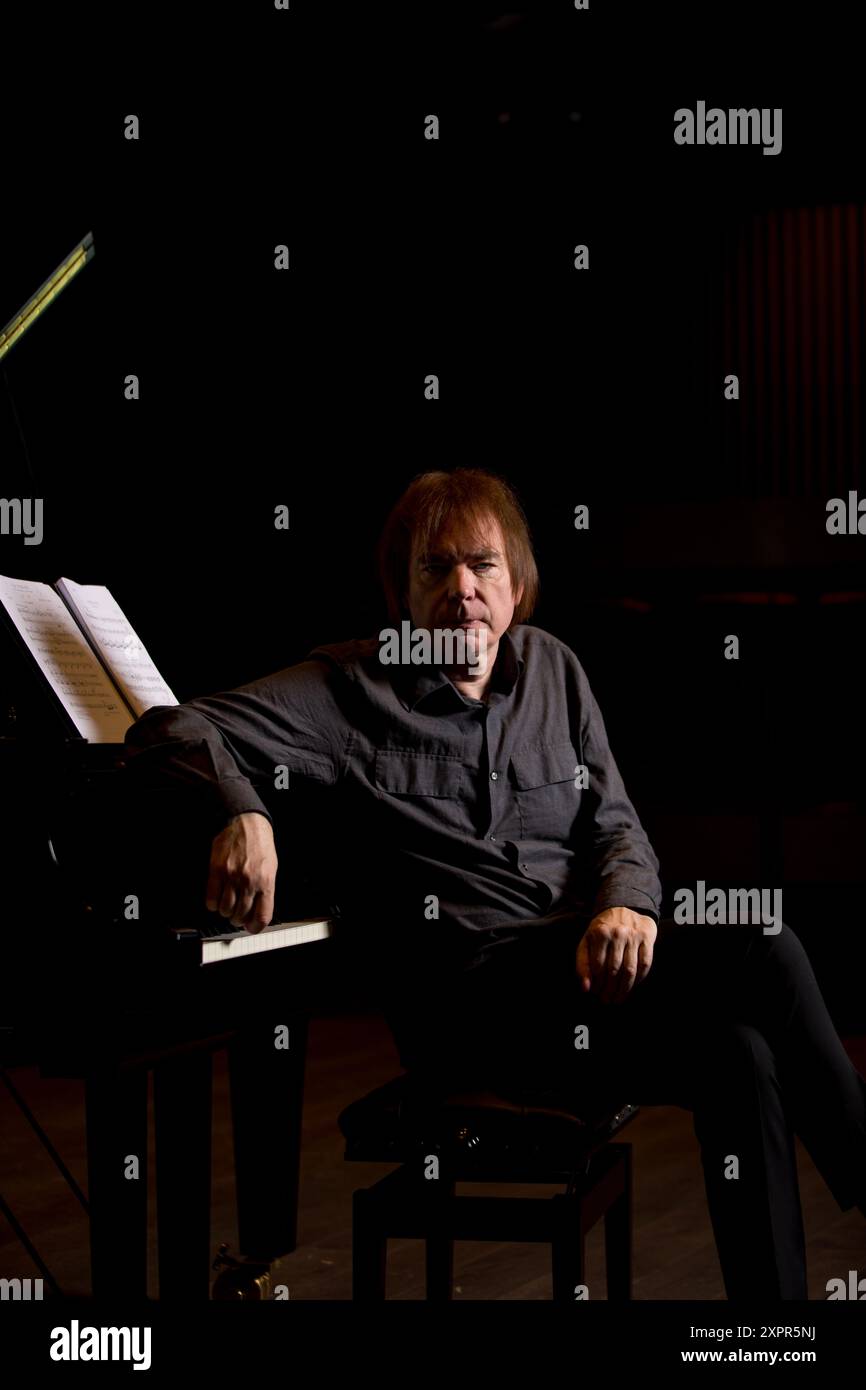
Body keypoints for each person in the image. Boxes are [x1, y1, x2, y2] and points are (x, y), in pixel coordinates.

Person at [122, 466, 866, 1300]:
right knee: (764, 947)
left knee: (741, 1053)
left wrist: (625, 900)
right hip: (475, 1010)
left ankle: (772, 1336)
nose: (462, 589)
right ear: (402, 592)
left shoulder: (555, 670)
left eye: (482, 565)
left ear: (517, 584)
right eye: (434, 569)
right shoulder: (347, 689)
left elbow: (618, 823)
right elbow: (171, 722)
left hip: (581, 985)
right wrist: (242, 809)